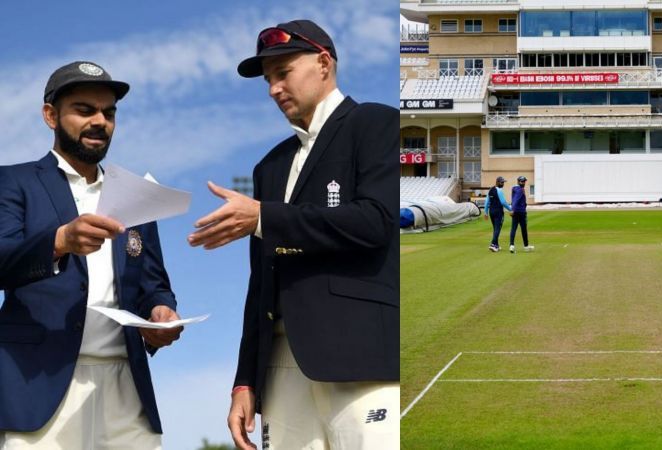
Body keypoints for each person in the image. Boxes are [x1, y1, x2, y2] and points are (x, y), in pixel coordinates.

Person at [187, 20, 399, 450]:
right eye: (268, 80)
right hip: (280, 369)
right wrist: (244, 381)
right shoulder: (269, 166)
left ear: (323, 63)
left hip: (360, 356)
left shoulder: (377, 123)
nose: (273, 89)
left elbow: (376, 221)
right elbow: (260, 284)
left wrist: (265, 217)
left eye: (283, 73)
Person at [0, 61, 182, 449]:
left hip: (127, 389)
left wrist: (161, 313)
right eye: (84, 110)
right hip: (40, 386)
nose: (99, 120)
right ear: (50, 115)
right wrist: (60, 240)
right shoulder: (13, 182)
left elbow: (154, 285)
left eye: (109, 112)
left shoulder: (135, 195)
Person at [484, 176, 512, 252]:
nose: (503, 184)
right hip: (498, 212)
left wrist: (486, 212)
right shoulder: (499, 190)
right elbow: (503, 202)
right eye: (502, 182)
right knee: (497, 228)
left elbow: (486, 202)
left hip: (491, 212)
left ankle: (496, 245)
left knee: (495, 228)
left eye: (503, 182)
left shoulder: (491, 190)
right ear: (498, 182)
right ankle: (493, 244)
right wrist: (511, 209)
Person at [509, 175, 534, 253]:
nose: (523, 183)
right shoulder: (519, 190)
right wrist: (512, 209)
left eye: (524, 181)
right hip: (521, 212)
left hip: (516, 212)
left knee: (514, 228)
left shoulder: (516, 188)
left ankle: (511, 245)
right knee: (523, 230)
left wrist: (513, 209)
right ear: (518, 181)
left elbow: (514, 200)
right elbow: (516, 200)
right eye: (522, 181)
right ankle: (526, 246)